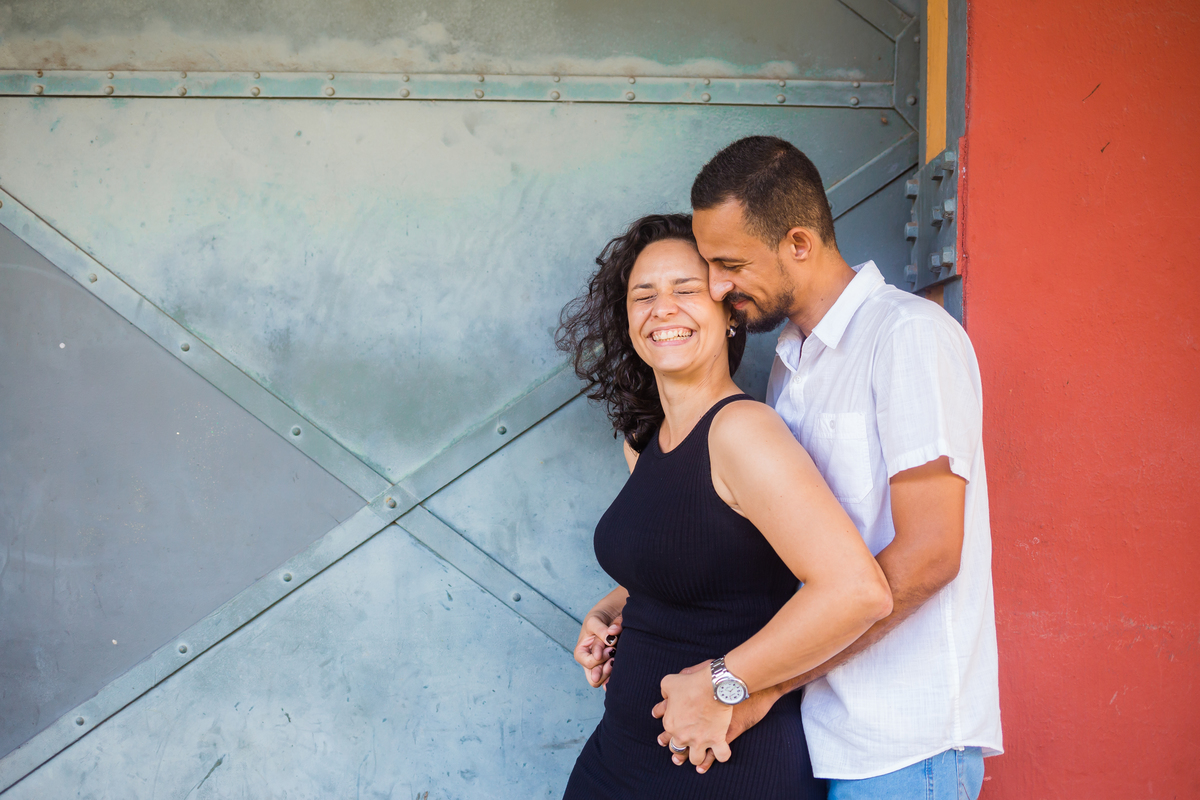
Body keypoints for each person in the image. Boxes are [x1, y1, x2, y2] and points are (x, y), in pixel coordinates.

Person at [660, 135, 1003, 799]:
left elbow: (931, 553)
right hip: (817, 737)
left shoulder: (907, 338)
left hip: (904, 747)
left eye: (729, 263)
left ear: (797, 244)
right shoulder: (790, 364)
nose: (716, 285)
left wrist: (754, 681)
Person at [557, 213, 893, 799]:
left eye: (686, 290)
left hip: (721, 767)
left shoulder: (743, 432)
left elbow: (856, 591)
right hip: (619, 758)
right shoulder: (647, 441)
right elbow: (701, 567)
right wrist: (615, 610)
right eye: (645, 295)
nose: (663, 308)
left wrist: (722, 683)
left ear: (728, 312)